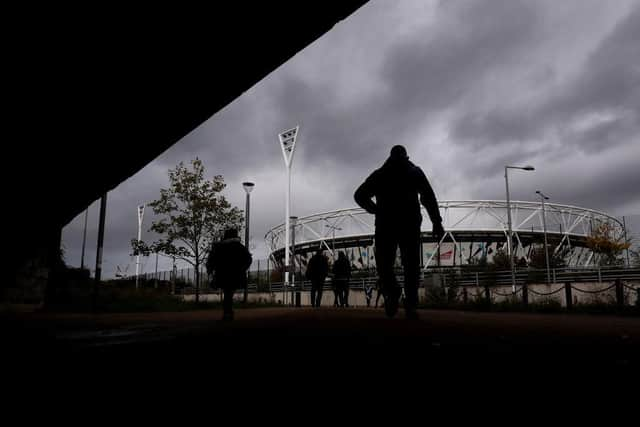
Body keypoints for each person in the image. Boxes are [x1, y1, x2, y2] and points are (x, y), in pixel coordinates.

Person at [354, 145, 444, 320]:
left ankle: (393, 291)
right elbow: (428, 197)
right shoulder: (414, 172)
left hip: (385, 224)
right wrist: (437, 223)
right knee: (411, 265)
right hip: (409, 224)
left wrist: (373, 209)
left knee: (383, 263)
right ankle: (410, 305)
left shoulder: (380, 175)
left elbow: (359, 195)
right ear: (406, 157)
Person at [206, 228, 252, 321]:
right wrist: (242, 269)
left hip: (222, 274)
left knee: (227, 292)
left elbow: (211, 260)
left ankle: (227, 312)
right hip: (236, 274)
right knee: (229, 292)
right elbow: (248, 259)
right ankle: (228, 312)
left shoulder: (219, 247)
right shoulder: (240, 247)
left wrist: (210, 270)